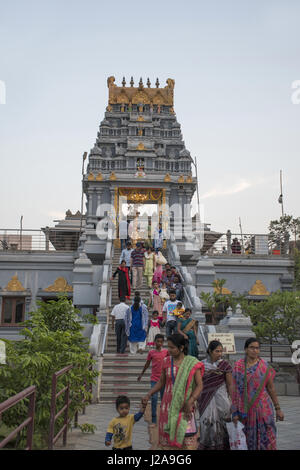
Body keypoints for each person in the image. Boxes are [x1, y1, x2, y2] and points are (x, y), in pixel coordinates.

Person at [142, 334, 204, 450]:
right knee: (168, 441)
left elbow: (200, 385)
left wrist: (190, 401)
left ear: (181, 348)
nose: (169, 350)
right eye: (168, 347)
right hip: (168, 406)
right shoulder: (166, 361)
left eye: (172, 347)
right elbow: (161, 382)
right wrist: (149, 394)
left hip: (185, 406)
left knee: (186, 440)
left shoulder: (192, 363)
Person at [231, 337, 284, 450]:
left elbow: (271, 388)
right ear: (245, 349)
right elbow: (234, 389)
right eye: (252, 348)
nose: (255, 350)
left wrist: (278, 408)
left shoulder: (264, 366)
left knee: (266, 438)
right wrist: (234, 411)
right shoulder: (238, 366)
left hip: (263, 409)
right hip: (244, 411)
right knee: (247, 439)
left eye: (257, 348)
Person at [197, 340, 233, 450]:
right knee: (206, 424)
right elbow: (198, 384)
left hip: (222, 400)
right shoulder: (201, 365)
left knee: (223, 425)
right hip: (205, 399)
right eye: (217, 351)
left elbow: (230, 384)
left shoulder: (225, 365)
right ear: (210, 351)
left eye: (221, 351)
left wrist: (233, 401)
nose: (219, 354)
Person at [138, 334, 168, 426]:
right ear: (154, 341)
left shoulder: (166, 352)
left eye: (161, 341)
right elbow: (147, 364)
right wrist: (141, 374)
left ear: (163, 342)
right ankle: (154, 420)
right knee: (154, 399)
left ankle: (164, 419)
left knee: (164, 399)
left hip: (164, 379)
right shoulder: (151, 353)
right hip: (154, 379)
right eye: (157, 341)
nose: (159, 343)